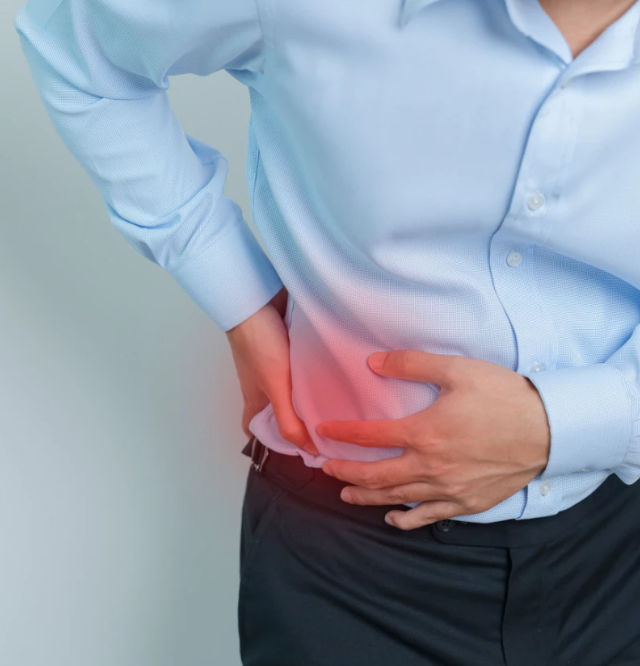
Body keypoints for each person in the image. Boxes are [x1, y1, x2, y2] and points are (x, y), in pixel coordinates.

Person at [14, 0, 640, 663]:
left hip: (619, 547)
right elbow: (73, 46)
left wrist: (564, 425)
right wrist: (237, 294)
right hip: (347, 570)